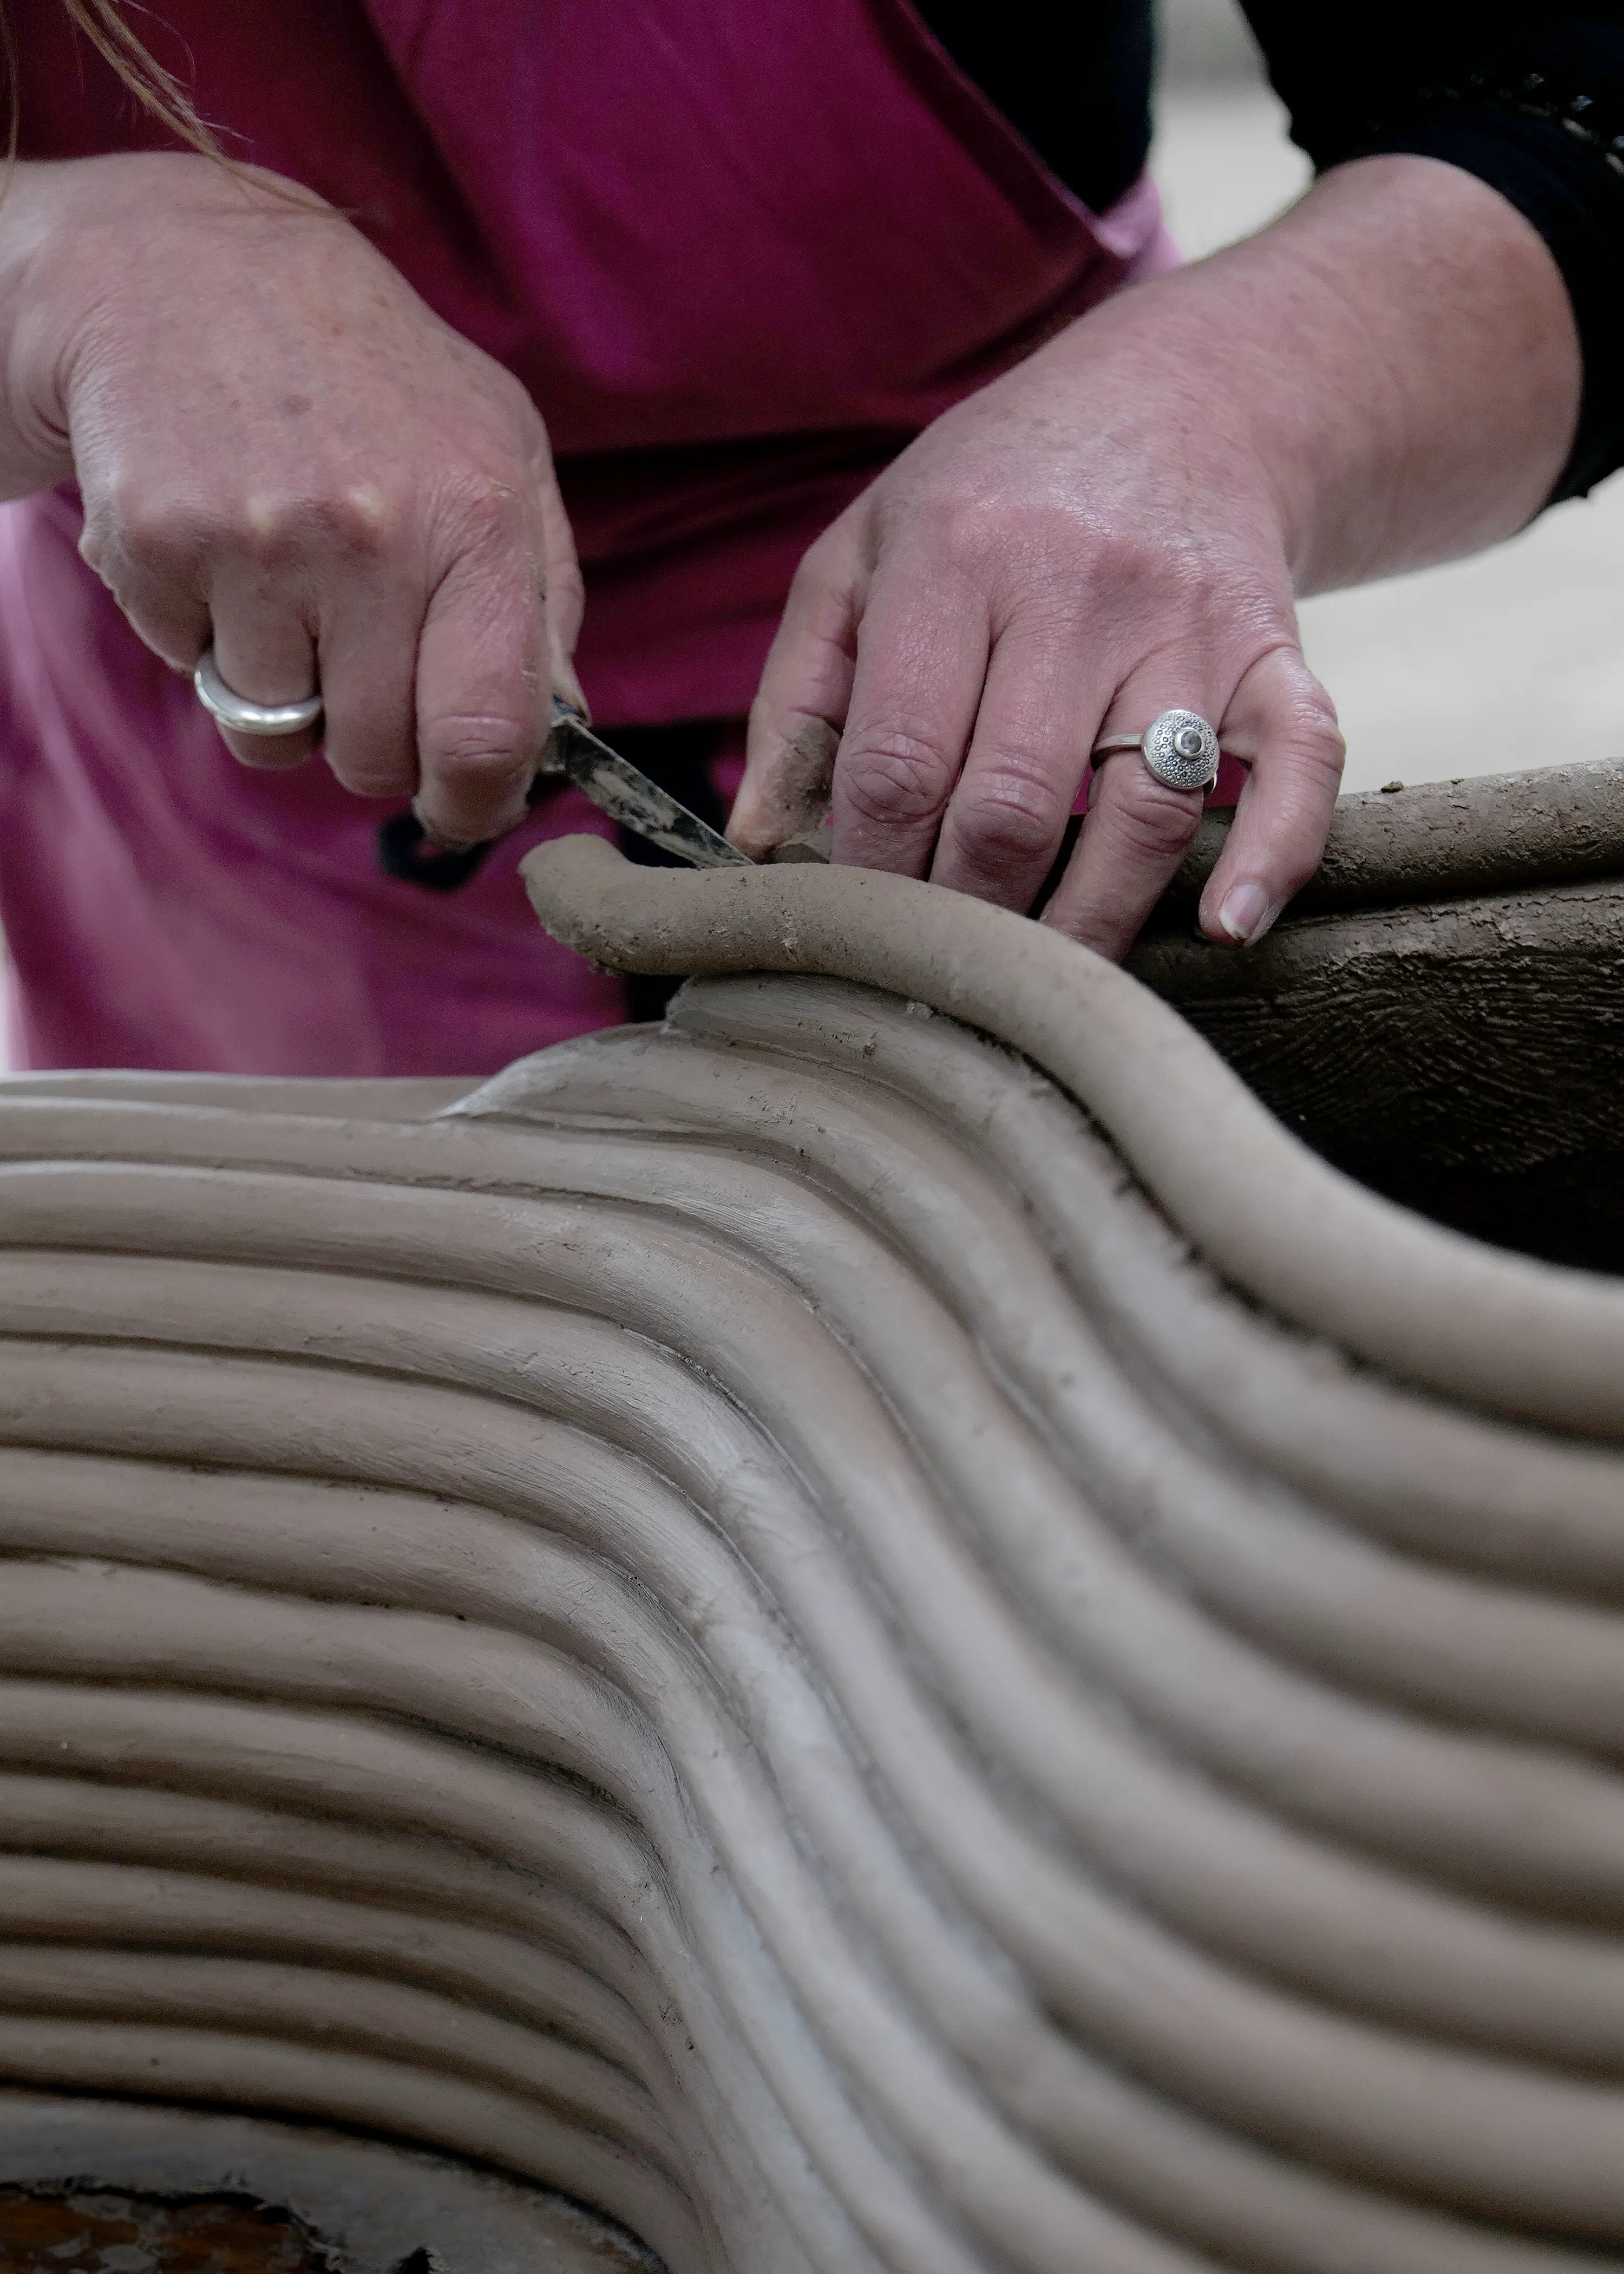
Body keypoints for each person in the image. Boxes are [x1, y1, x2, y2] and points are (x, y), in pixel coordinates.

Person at [0, 1, 1615, 1074]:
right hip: (230, 808)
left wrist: (1219, 409)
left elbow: (1568, 101)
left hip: (1041, 721)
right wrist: (69, 272)